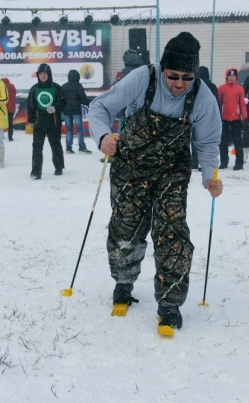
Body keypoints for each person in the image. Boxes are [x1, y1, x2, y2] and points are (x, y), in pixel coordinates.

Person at [88, 32, 223, 333]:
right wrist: (103, 136)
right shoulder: (141, 80)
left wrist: (210, 176)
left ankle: (170, 303)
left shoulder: (202, 97)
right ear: (163, 69)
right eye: (173, 76)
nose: (179, 84)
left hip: (171, 173)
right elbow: (99, 108)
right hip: (130, 168)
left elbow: (208, 142)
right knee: (126, 230)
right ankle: (123, 283)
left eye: (186, 77)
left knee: (172, 234)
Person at [27, 63, 66, 179]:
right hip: (39, 122)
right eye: (40, 74)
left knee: (55, 145)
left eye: (45, 73)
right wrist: (31, 120)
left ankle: (59, 167)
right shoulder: (34, 88)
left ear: (49, 74)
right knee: (37, 147)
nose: (43, 76)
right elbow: (30, 106)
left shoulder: (56, 87)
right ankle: (36, 171)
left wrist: (55, 107)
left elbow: (63, 102)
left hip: (53, 122)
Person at [217, 68, 247, 170]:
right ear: (227, 77)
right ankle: (224, 162)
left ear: (236, 77)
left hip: (236, 119)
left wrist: (245, 116)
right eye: (230, 76)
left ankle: (239, 163)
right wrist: (217, 117)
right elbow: (218, 104)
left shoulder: (240, 89)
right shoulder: (221, 89)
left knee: (237, 142)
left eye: (233, 76)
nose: (231, 78)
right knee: (223, 142)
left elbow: (242, 104)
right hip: (224, 119)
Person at [61, 69, 92, 154]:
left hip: (67, 111)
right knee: (79, 129)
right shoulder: (78, 86)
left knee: (69, 129)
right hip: (76, 111)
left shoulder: (63, 86)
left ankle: (68, 148)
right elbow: (82, 98)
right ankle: (81, 147)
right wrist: (88, 103)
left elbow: (61, 99)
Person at [2, 77, 16, 142]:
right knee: (10, 123)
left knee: (1, 123)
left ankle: (1, 136)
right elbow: (14, 94)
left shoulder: (1, 86)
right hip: (11, 107)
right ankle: (10, 137)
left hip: (3, 108)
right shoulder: (12, 86)